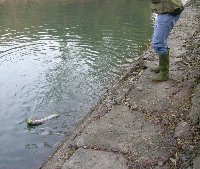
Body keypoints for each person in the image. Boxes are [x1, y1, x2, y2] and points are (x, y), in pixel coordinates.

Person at [149, 0, 184, 82]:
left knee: (158, 43)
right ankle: (162, 67)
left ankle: (164, 73)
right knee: (160, 40)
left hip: (168, 13)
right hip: (165, 11)